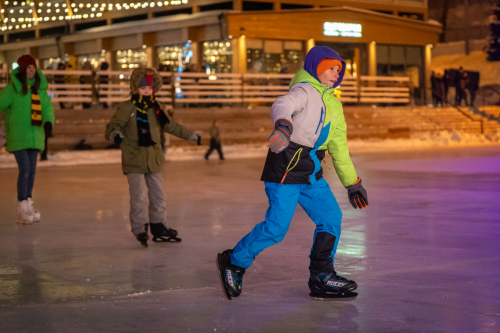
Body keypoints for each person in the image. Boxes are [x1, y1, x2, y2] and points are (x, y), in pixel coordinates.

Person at [216, 46, 368, 301]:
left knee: (331, 217)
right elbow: (282, 104)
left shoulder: (334, 104)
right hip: (285, 171)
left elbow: (338, 147)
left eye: (338, 70)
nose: (336, 73)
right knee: (276, 229)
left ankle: (321, 275)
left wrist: (352, 183)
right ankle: (234, 261)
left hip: (311, 175)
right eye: (331, 68)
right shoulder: (304, 90)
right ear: (317, 67)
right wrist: (284, 125)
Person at [105, 67, 202, 248]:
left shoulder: (156, 108)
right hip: (134, 159)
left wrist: (190, 135)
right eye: (143, 88)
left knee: (158, 196)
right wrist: (116, 135)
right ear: (135, 88)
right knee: (139, 198)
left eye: (149, 88)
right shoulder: (127, 108)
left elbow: (170, 125)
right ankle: (139, 228)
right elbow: (112, 126)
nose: (147, 91)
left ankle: (159, 227)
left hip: (154, 160)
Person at [0, 55, 55, 224]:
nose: (32, 70)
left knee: (31, 171)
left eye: (34, 67)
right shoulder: (12, 90)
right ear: (22, 70)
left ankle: (28, 202)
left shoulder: (40, 90)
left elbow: (47, 109)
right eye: (28, 67)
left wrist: (48, 123)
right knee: (25, 170)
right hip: (18, 136)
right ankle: (21, 205)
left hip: (36, 136)